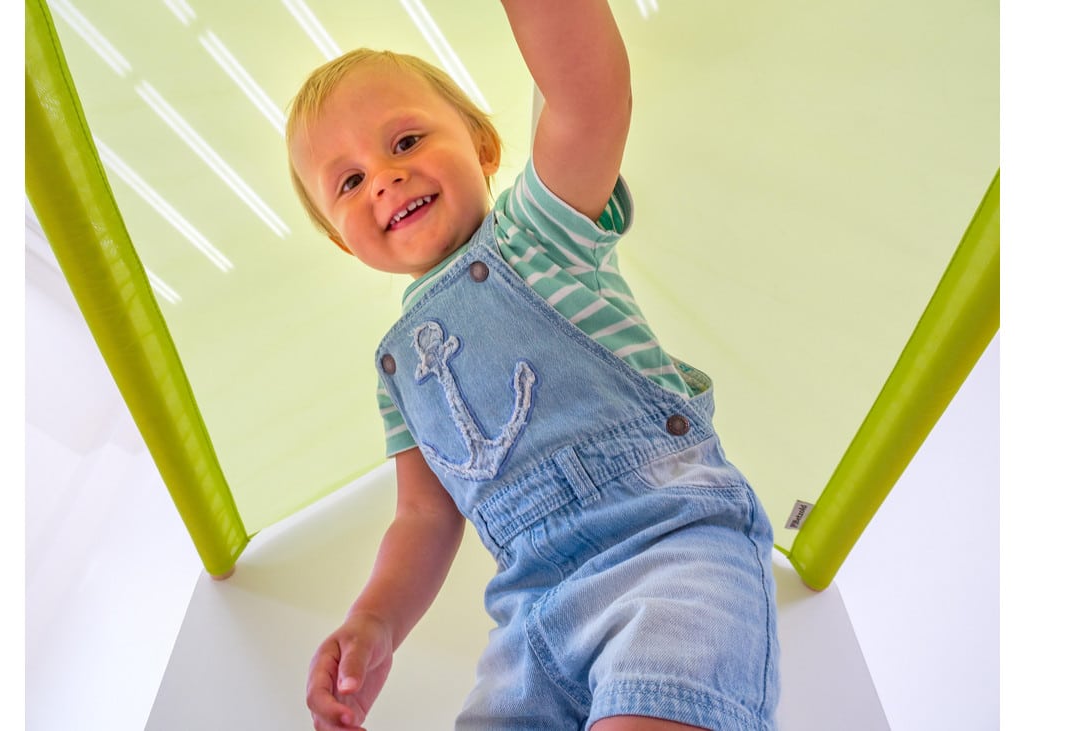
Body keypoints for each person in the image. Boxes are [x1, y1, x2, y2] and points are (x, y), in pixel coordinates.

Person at [285, 2, 779, 729]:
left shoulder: (539, 231)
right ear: (340, 240)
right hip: (528, 620)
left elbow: (589, 103)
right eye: (350, 183)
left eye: (407, 140)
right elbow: (423, 517)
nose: (384, 178)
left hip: (667, 545)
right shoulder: (397, 371)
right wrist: (375, 619)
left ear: (484, 145)